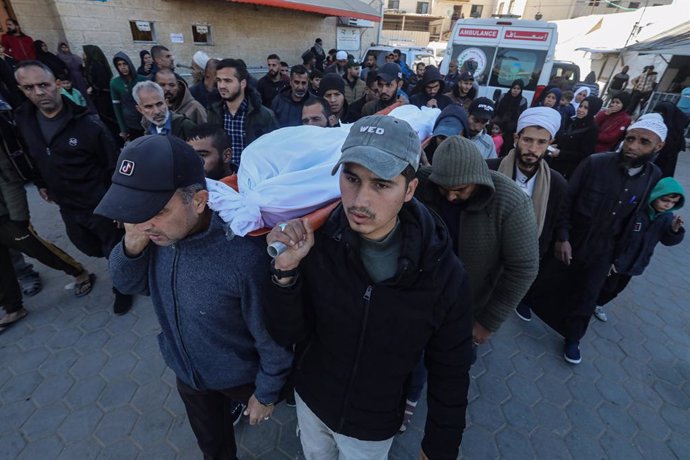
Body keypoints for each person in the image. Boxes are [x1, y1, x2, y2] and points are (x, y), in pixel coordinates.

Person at [264, 114, 473, 460]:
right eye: (351, 178)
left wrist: (439, 447)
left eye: (381, 184)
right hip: (311, 401)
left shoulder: (442, 274)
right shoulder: (319, 244)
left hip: (372, 426)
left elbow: (451, 371)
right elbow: (288, 332)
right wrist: (284, 274)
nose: (359, 201)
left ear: (410, 189)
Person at [98, 135, 292, 460]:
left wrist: (267, 393)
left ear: (199, 201)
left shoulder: (243, 259)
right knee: (213, 448)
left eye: (157, 210)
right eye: (136, 211)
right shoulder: (153, 236)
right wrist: (131, 243)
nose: (144, 223)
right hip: (188, 372)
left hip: (240, 377)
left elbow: (273, 336)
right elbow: (128, 283)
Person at [530, 113, 665, 364]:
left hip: (607, 248)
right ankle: (528, 303)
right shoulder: (595, 163)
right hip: (575, 237)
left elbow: (648, 217)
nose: (633, 146)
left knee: (588, 295)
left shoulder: (654, 177)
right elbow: (567, 201)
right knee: (550, 277)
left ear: (659, 147)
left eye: (643, 142)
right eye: (630, 138)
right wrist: (563, 237)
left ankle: (573, 338)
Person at [13, 60, 133, 314]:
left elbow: (114, 165)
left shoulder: (88, 124)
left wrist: (119, 206)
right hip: (65, 204)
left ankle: (123, 287)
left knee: (112, 249)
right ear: (21, 90)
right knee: (86, 246)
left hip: (99, 203)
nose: (38, 92)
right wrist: (41, 183)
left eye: (43, 85)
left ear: (57, 85)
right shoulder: (24, 120)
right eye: (29, 87)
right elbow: (32, 154)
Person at [416, 136, 539, 356]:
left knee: (452, 360)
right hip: (422, 297)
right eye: (444, 189)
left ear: (477, 179)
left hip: (467, 306)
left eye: (460, 189)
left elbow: (523, 268)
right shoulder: (425, 183)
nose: (451, 197)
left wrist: (488, 322)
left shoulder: (511, 203)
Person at [0, 133, 97, 331]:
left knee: (36, 248)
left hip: (6, 215)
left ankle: (78, 272)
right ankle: (13, 307)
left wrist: (19, 215)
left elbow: (8, 177)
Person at [486, 108, 567, 320]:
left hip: (521, 257)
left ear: (550, 143)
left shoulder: (556, 184)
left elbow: (552, 224)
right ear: (516, 138)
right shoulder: (489, 170)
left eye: (541, 142)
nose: (533, 148)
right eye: (528, 140)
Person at [594, 177, 684, 321]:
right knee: (604, 284)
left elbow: (667, 240)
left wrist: (674, 230)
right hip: (617, 259)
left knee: (616, 289)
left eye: (673, 203)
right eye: (665, 200)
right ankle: (589, 302)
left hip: (636, 262)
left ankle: (598, 303)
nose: (668, 205)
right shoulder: (638, 210)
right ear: (656, 195)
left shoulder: (667, 218)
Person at [208, 58, 279, 165]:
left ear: (243, 83)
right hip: (223, 177)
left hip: (253, 175)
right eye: (219, 80)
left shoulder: (264, 115)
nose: (221, 86)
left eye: (228, 81)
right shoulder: (213, 112)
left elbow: (275, 151)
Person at [549, 96, 602, 179]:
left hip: (568, 170)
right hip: (555, 163)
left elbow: (584, 155)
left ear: (593, 110)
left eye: (586, 108)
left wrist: (560, 153)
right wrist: (556, 145)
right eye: (580, 106)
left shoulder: (592, 129)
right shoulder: (574, 121)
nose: (580, 110)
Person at [111, 51, 147, 142]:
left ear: (129, 64)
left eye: (125, 64)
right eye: (119, 65)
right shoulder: (115, 83)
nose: (123, 67)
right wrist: (123, 129)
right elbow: (117, 107)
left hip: (147, 119)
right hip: (131, 123)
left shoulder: (143, 79)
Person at [83, 44, 118, 135]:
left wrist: (93, 88)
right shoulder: (91, 65)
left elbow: (102, 84)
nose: (83, 55)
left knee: (108, 118)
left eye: (84, 53)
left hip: (103, 98)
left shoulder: (97, 66)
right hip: (99, 97)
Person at [652, 101, 689, 177]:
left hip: (663, 163)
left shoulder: (674, 130)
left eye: (661, 113)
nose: (659, 115)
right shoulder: (668, 124)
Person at [495, 79, 528, 156]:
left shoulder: (522, 101)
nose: (515, 91)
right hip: (498, 125)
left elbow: (521, 117)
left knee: (506, 149)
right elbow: (496, 110)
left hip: (511, 130)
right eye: (514, 88)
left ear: (521, 90)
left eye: (518, 89)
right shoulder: (503, 96)